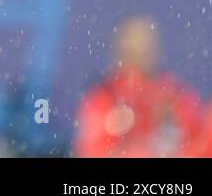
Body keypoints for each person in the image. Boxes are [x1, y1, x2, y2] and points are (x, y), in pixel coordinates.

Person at [74, 15, 201, 157]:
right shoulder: (102, 99)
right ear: (119, 47)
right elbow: (92, 151)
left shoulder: (176, 96)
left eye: (145, 41)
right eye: (133, 41)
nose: (140, 49)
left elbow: (197, 146)